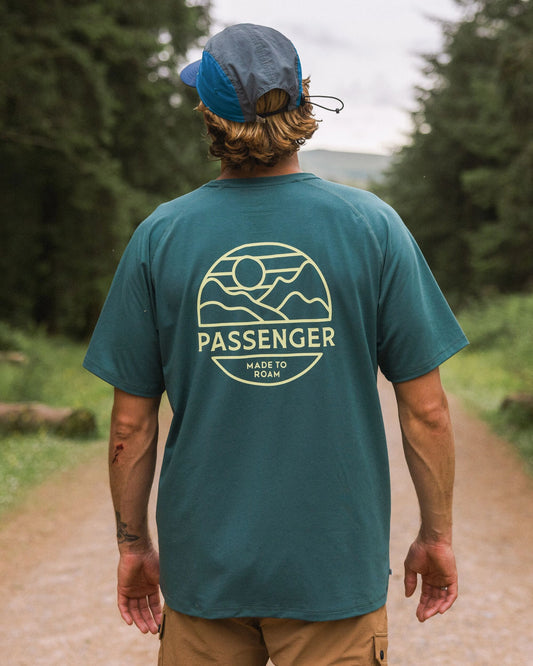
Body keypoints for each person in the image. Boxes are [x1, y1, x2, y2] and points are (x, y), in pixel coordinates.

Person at [84, 23, 468, 665]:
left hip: (204, 575)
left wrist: (133, 546)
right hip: (334, 573)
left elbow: (131, 422)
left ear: (210, 116)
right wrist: (437, 535)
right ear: (303, 101)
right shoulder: (372, 227)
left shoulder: (161, 236)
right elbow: (426, 410)